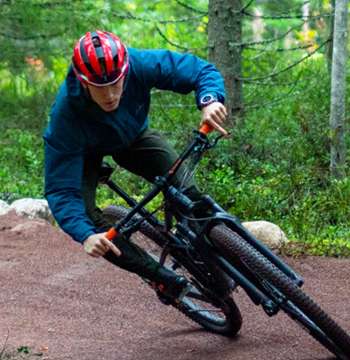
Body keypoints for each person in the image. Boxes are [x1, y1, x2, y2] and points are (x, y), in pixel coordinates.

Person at [41, 30, 230, 304]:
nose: (110, 95)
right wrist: (84, 235)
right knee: (93, 226)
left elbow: (199, 70)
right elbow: (61, 190)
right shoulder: (64, 117)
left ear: (124, 71)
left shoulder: (137, 63)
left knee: (187, 193)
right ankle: (160, 276)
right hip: (85, 154)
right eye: (99, 87)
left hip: (134, 137)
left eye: (116, 84)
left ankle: (205, 250)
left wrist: (209, 100)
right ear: (83, 82)